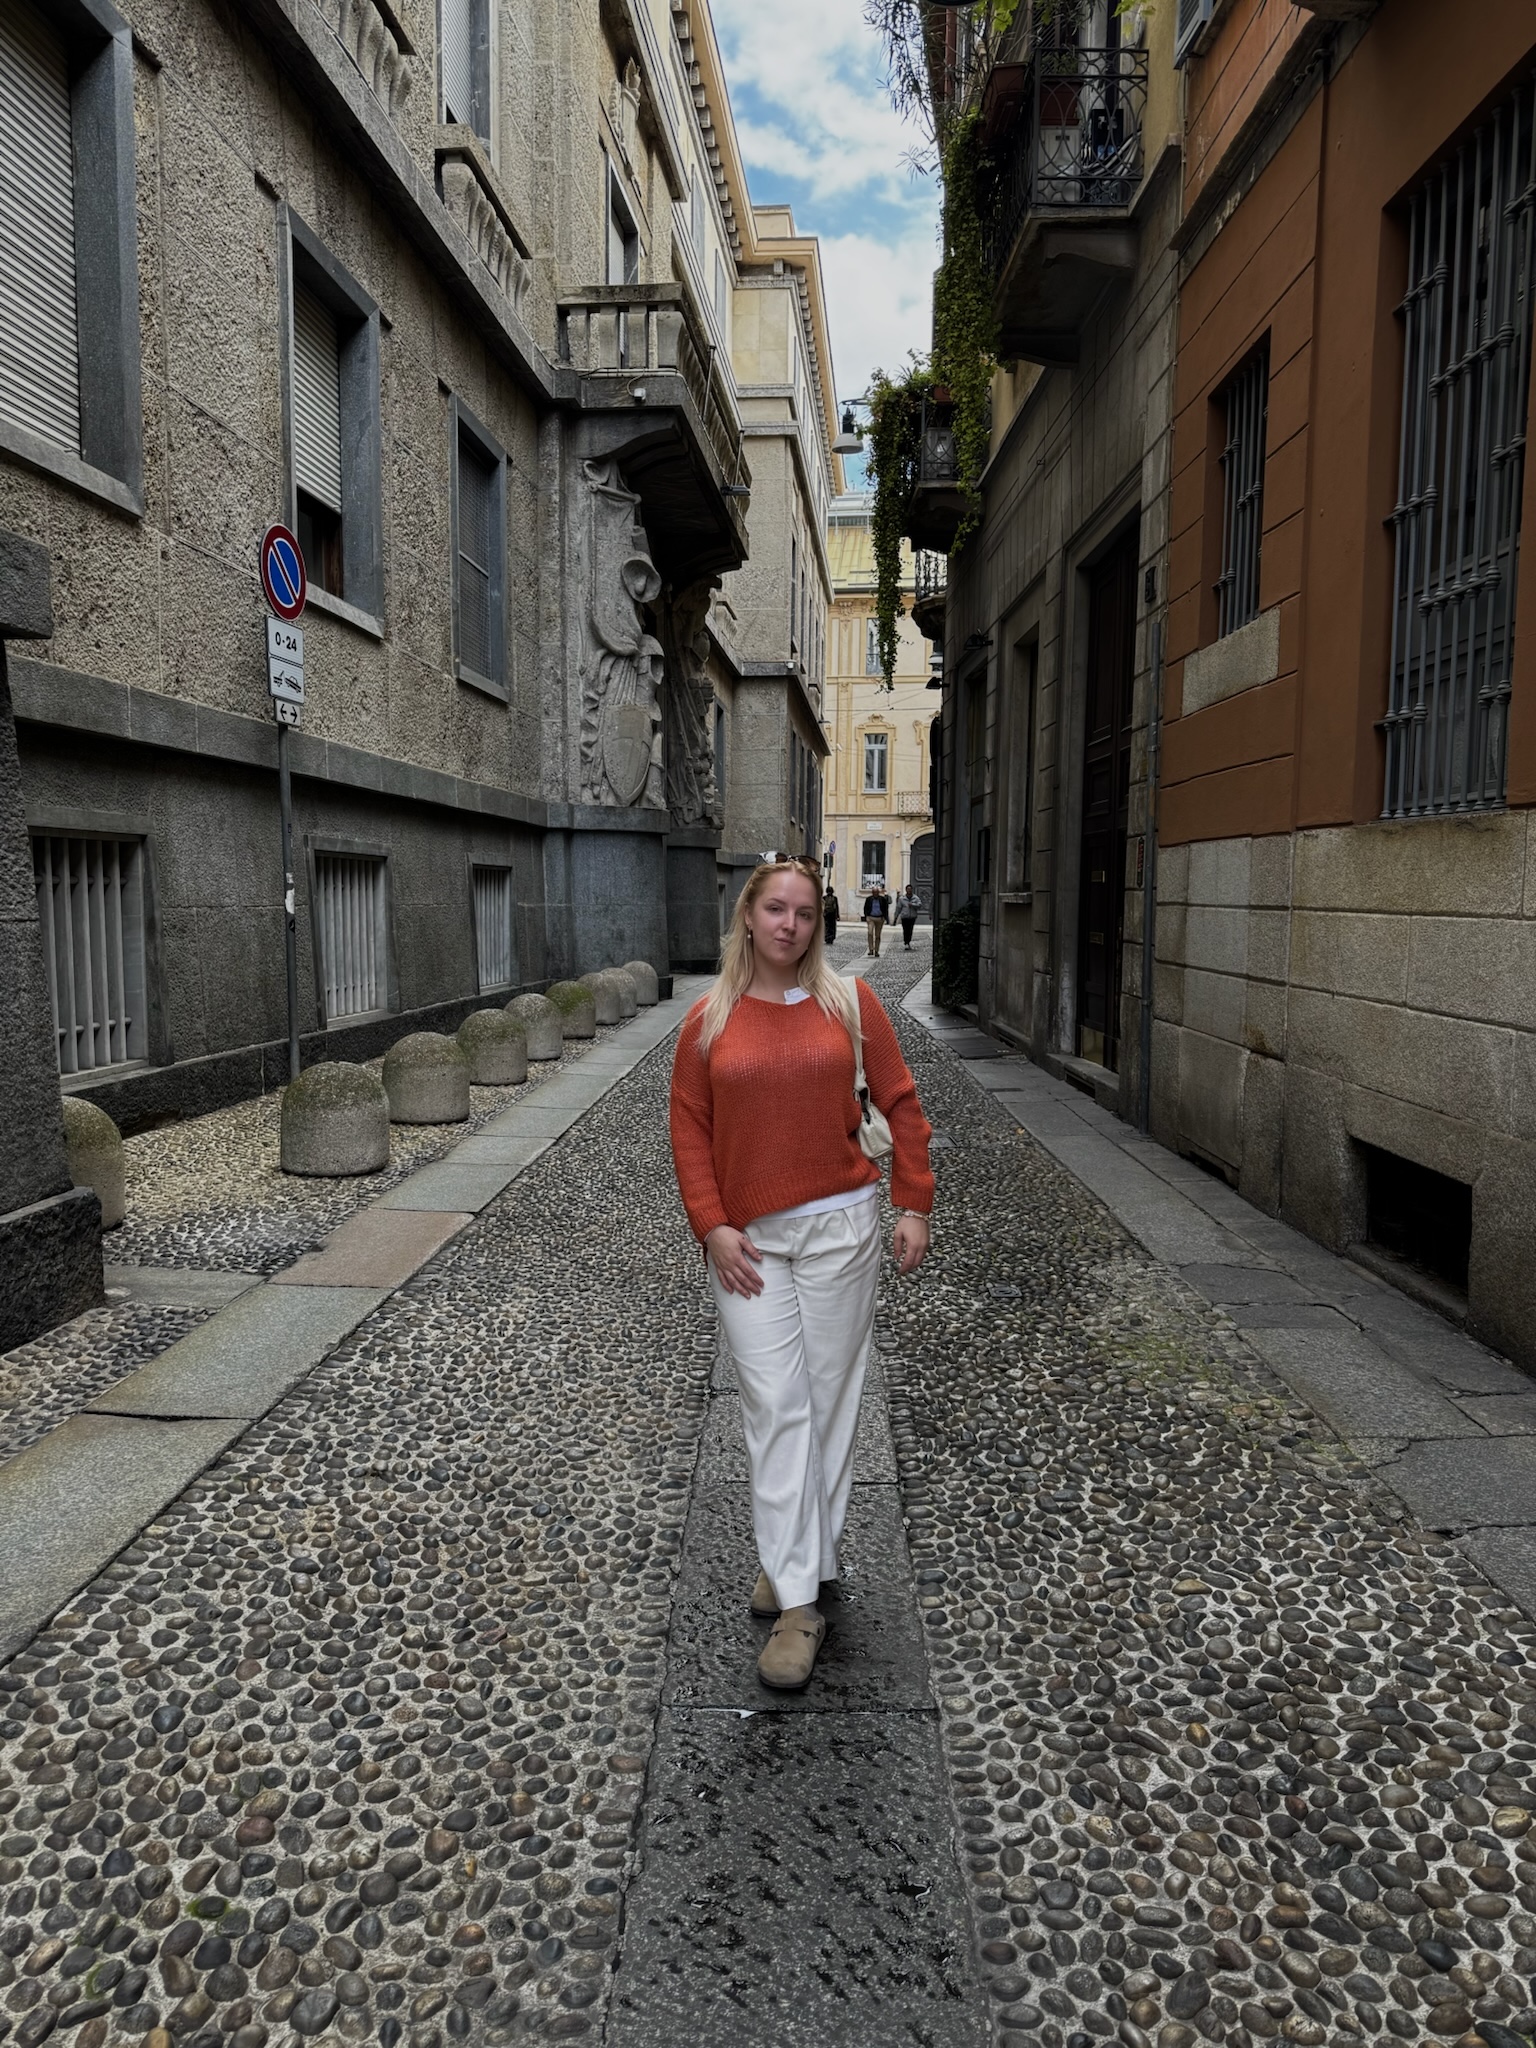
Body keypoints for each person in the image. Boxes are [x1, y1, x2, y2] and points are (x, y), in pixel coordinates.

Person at [669, 855, 934, 1691]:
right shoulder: (707, 1020)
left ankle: (797, 1579)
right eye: (776, 909)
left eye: (806, 914)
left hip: (841, 1232)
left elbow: (901, 1102)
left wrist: (913, 1201)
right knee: (774, 1404)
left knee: (826, 1401)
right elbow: (689, 1131)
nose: (790, 925)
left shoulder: (850, 1005)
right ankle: (795, 1584)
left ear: (818, 926)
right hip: (747, 1245)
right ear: (748, 916)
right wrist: (710, 1226)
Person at [862, 881, 889, 957]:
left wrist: (884, 917)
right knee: (870, 933)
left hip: (880, 918)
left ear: (878, 893)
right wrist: (866, 916)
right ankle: (871, 949)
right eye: (874, 892)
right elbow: (865, 908)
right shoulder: (869, 899)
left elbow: (886, 908)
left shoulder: (882, 899)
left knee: (878, 935)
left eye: (876, 892)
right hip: (871, 918)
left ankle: (876, 950)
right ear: (872, 893)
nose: (875, 894)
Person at [894, 883, 921, 948]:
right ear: (906, 890)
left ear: (912, 890)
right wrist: (896, 916)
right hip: (904, 916)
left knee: (910, 930)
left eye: (910, 889)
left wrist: (913, 905)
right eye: (908, 889)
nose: (909, 890)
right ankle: (906, 942)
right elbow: (898, 908)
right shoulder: (902, 899)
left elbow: (919, 905)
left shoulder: (916, 898)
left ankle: (908, 941)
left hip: (912, 917)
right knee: (905, 930)